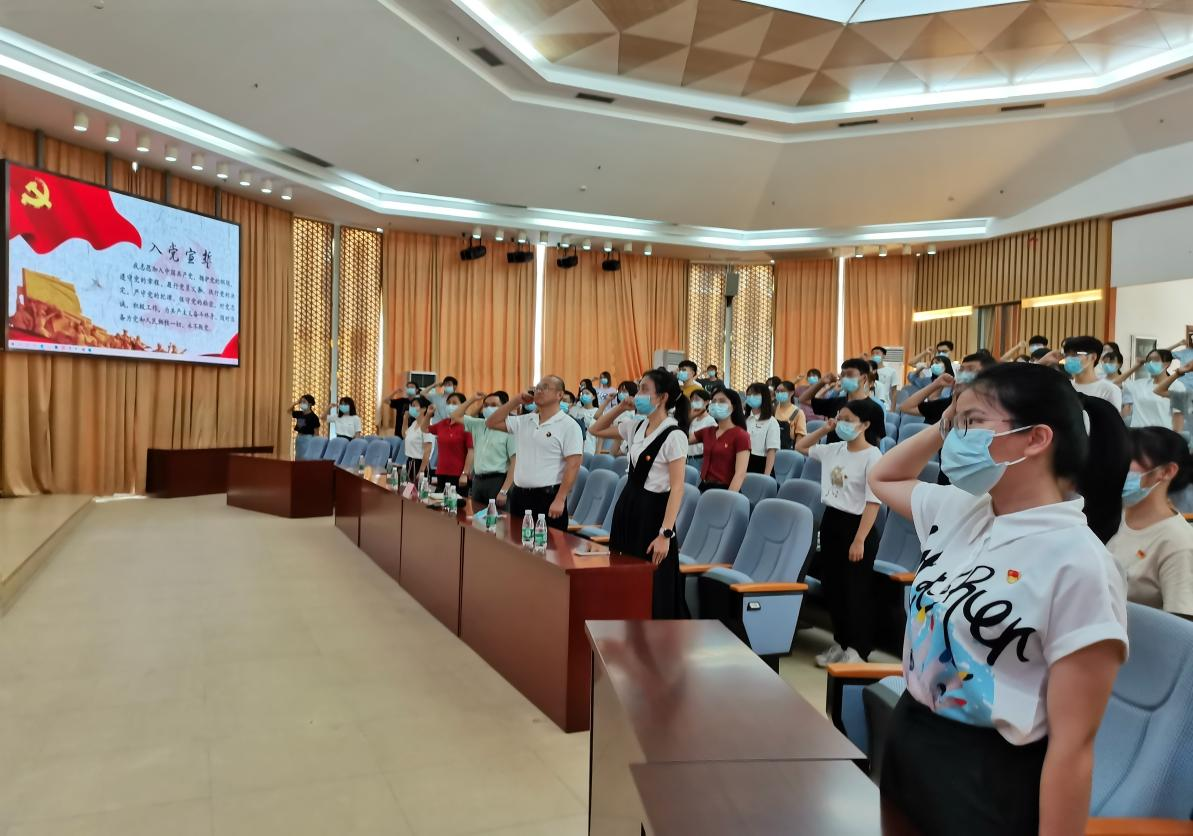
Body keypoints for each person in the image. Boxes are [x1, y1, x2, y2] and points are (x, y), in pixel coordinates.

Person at [868, 362, 1129, 836]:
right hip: (912, 734)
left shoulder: (1079, 563)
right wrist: (944, 423)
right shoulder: (960, 509)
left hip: (988, 771)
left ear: (1036, 438)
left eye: (971, 422)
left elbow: (1073, 747)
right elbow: (883, 476)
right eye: (956, 423)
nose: (956, 437)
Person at [589, 369, 690, 618]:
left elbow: (677, 488)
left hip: (653, 513)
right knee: (623, 569)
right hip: (629, 506)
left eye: (645, 389)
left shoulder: (674, 435)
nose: (638, 395)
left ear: (662, 397)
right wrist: (621, 407)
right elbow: (596, 429)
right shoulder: (636, 426)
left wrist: (665, 534)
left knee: (651, 579)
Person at [796, 398, 885, 666]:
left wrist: (859, 540)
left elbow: (873, 502)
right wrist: (825, 429)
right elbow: (800, 446)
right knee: (833, 588)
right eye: (840, 417)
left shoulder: (873, 456)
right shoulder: (834, 448)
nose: (841, 423)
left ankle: (858, 648)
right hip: (832, 521)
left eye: (848, 420)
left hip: (857, 526)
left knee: (854, 590)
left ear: (865, 425)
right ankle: (841, 641)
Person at [1107, 427, 1193, 617]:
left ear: (1167, 471)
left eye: (1130, 459)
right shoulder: (1109, 516)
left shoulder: (1178, 542)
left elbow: (1180, 625)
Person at [485, 375, 583, 531]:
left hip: (548, 497)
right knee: (517, 542)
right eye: (537, 388)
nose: (539, 391)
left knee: (547, 545)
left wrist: (560, 499)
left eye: (545, 387)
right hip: (519, 495)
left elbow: (574, 464)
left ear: (559, 395)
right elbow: (491, 422)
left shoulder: (569, 426)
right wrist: (516, 400)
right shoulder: (525, 420)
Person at [451, 391, 517, 507]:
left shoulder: (510, 429)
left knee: (497, 517)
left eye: (493, 405)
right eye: (485, 405)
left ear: (505, 407)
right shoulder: (479, 424)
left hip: (498, 481)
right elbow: (455, 415)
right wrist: (472, 399)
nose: (488, 408)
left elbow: (514, 463)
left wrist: (504, 490)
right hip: (478, 480)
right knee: (476, 516)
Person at [689, 387, 749, 492]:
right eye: (714, 401)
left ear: (733, 406)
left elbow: (740, 474)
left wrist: (727, 497)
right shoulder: (708, 431)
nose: (716, 404)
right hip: (704, 486)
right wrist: (690, 417)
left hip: (725, 489)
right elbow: (682, 439)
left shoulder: (741, 435)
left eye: (722, 401)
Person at [1118, 349, 1185, 431]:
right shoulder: (1139, 384)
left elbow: (1179, 417)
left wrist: (1175, 437)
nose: (1151, 363)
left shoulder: (1176, 386)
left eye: (1156, 360)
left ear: (1167, 364)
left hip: (1162, 435)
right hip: (1137, 434)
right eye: (1149, 360)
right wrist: (1137, 365)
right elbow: (1115, 383)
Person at [424, 392, 474, 492]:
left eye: (454, 403)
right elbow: (425, 429)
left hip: (458, 474)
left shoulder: (467, 424)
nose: (450, 405)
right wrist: (428, 415)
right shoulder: (443, 423)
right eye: (448, 403)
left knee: (456, 501)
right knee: (438, 499)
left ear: (463, 406)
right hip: (441, 471)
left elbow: (471, 451)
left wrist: (465, 473)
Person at [1063, 336, 1123, 411]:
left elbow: (1113, 418)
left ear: (1092, 357)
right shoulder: (1065, 387)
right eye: (1066, 355)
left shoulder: (1109, 390)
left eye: (1075, 354)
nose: (1069, 359)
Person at [744, 383, 780, 475]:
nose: (751, 397)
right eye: (749, 394)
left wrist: (766, 476)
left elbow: (771, 451)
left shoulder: (771, 422)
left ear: (764, 396)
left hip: (760, 464)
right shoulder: (744, 419)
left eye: (755, 394)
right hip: (743, 461)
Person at [403, 397, 434, 480]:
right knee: (408, 487)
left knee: (418, 487)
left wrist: (421, 471)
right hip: (410, 462)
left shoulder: (427, 425)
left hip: (420, 464)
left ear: (424, 409)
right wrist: (405, 419)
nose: (411, 408)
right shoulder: (414, 423)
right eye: (411, 406)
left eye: (414, 406)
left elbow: (428, 450)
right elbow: (405, 435)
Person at [772, 380, 807, 450]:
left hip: (788, 450)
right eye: (777, 391)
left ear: (791, 392)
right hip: (772, 447)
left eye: (782, 391)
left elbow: (800, 436)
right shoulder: (773, 409)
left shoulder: (797, 412)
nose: (779, 393)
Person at [687, 388, 716, 467]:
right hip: (688, 458)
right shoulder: (692, 419)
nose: (693, 402)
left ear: (706, 402)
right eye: (691, 400)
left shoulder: (710, 421)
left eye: (696, 399)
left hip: (700, 459)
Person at [572, 386, 600, 454]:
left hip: (591, 446)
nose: (584, 395)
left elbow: (601, 433)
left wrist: (598, 450)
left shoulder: (598, 411)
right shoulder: (575, 410)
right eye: (582, 394)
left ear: (594, 397)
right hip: (575, 445)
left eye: (587, 393)